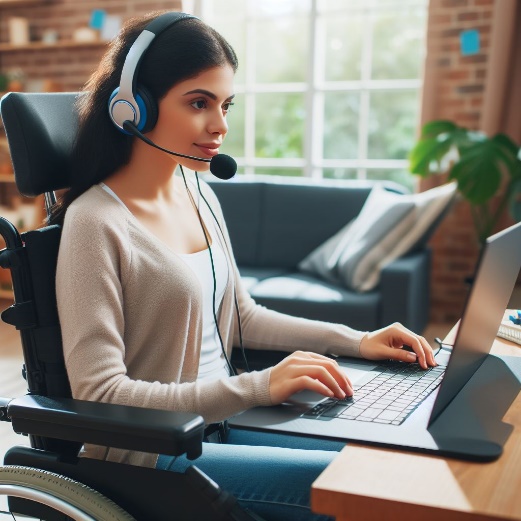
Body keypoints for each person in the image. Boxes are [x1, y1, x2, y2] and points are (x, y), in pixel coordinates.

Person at [52, 11, 436, 521]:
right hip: (154, 454)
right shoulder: (94, 222)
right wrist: (261, 385)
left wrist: (356, 340)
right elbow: (101, 392)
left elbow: (242, 315)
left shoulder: (199, 194)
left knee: (380, 452)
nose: (220, 125)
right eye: (198, 103)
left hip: (223, 424)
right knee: (354, 485)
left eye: (225, 104)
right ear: (134, 107)